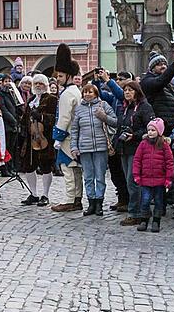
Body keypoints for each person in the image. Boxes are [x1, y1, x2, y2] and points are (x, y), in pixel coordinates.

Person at [69, 84, 117, 216]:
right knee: (88, 177)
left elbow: (115, 121)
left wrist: (104, 117)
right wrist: (74, 147)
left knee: (100, 177)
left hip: (101, 147)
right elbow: (74, 130)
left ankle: (99, 204)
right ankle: (91, 203)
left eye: (90, 92)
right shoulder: (78, 109)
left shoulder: (104, 105)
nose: (87, 94)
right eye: (85, 92)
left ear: (96, 93)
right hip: (84, 148)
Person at [116, 81, 155, 226]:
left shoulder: (145, 107)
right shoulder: (125, 108)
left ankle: (136, 213)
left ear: (137, 92)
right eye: (125, 90)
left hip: (138, 148)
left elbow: (150, 128)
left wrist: (135, 135)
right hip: (124, 148)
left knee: (133, 181)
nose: (127, 92)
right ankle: (141, 210)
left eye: (130, 90)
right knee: (129, 181)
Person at [50, 44, 83, 213]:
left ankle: (70, 200)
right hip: (76, 136)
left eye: (61, 75)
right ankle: (78, 198)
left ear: (68, 75)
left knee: (68, 168)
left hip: (68, 136)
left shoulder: (67, 94)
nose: (58, 78)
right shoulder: (75, 91)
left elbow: (63, 117)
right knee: (76, 169)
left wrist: (58, 136)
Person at [18, 74, 57, 207]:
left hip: (45, 138)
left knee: (46, 166)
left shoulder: (51, 99)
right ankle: (34, 194)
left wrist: (40, 116)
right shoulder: (32, 99)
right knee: (29, 166)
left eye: (41, 83)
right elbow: (25, 118)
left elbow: (53, 119)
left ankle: (45, 195)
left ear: (46, 85)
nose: (38, 86)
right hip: (31, 138)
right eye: (36, 84)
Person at [133, 119, 173, 233]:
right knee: (145, 200)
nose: (150, 132)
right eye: (149, 130)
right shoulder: (143, 144)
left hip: (160, 180)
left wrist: (168, 179)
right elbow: (137, 160)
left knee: (159, 202)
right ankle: (144, 219)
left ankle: (156, 220)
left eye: (153, 130)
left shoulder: (164, 145)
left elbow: (169, 162)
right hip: (145, 179)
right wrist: (136, 175)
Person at [140, 50, 174, 136]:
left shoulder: (172, 84)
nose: (163, 66)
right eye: (159, 65)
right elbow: (160, 82)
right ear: (152, 68)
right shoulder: (147, 81)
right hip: (158, 128)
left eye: (164, 64)